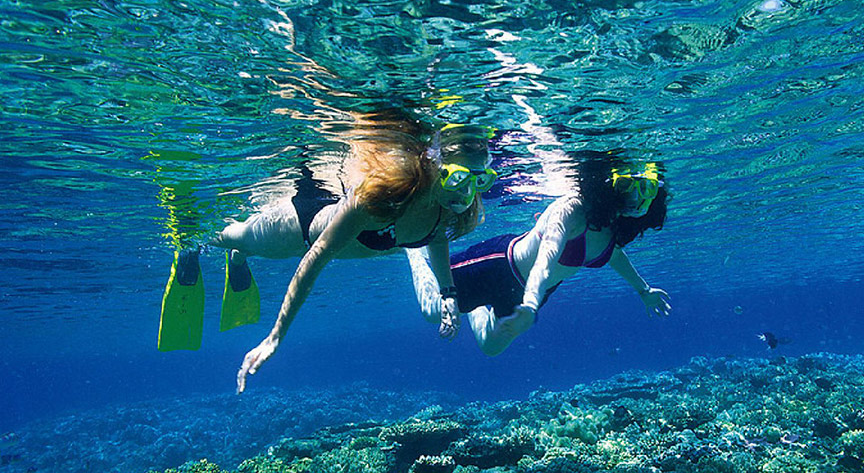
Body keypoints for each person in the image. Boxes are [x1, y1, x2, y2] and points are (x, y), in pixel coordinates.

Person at [228, 121, 495, 391]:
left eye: (479, 180)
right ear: (432, 164)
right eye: (459, 177)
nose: (466, 191)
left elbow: (436, 237)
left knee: (244, 244)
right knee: (229, 236)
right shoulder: (386, 195)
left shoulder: (443, 203)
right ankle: (219, 248)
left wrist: (448, 293)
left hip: (347, 240)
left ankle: (240, 255)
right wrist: (275, 337)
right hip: (301, 230)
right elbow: (314, 260)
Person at [406, 156, 670, 356]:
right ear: (607, 185)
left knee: (490, 347)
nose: (635, 198)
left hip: (534, 293)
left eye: (646, 189)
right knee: (433, 311)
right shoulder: (572, 209)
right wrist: (530, 304)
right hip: (497, 267)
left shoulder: (613, 224)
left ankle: (475, 306)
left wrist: (644, 290)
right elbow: (545, 261)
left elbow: (614, 255)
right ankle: (414, 250)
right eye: (626, 185)